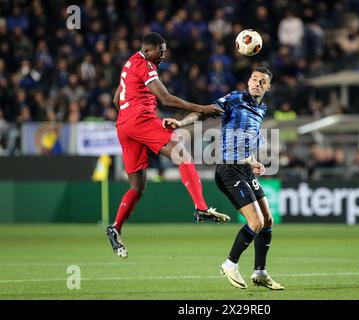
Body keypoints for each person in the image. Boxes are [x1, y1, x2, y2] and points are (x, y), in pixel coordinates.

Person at [106, 33, 230, 259]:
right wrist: (203, 109)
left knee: (137, 186)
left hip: (124, 125)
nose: (163, 55)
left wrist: (130, 119)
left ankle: (115, 227)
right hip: (139, 119)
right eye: (159, 51)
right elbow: (166, 99)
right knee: (181, 154)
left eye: (164, 51)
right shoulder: (145, 65)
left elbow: (116, 100)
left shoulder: (129, 63)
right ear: (148, 50)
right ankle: (201, 207)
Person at [163, 67, 284, 290]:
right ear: (248, 82)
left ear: (267, 87)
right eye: (254, 79)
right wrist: (180, 124)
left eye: (262, 81)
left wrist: (253, 160)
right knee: (255, 222)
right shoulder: (235, 99)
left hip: (245, 168)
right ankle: (230, 264)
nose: (257, 83)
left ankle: (260, 272)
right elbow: (204, 112)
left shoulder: (261, 109)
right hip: (229, 171)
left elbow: (246, 141)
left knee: (268, 220)